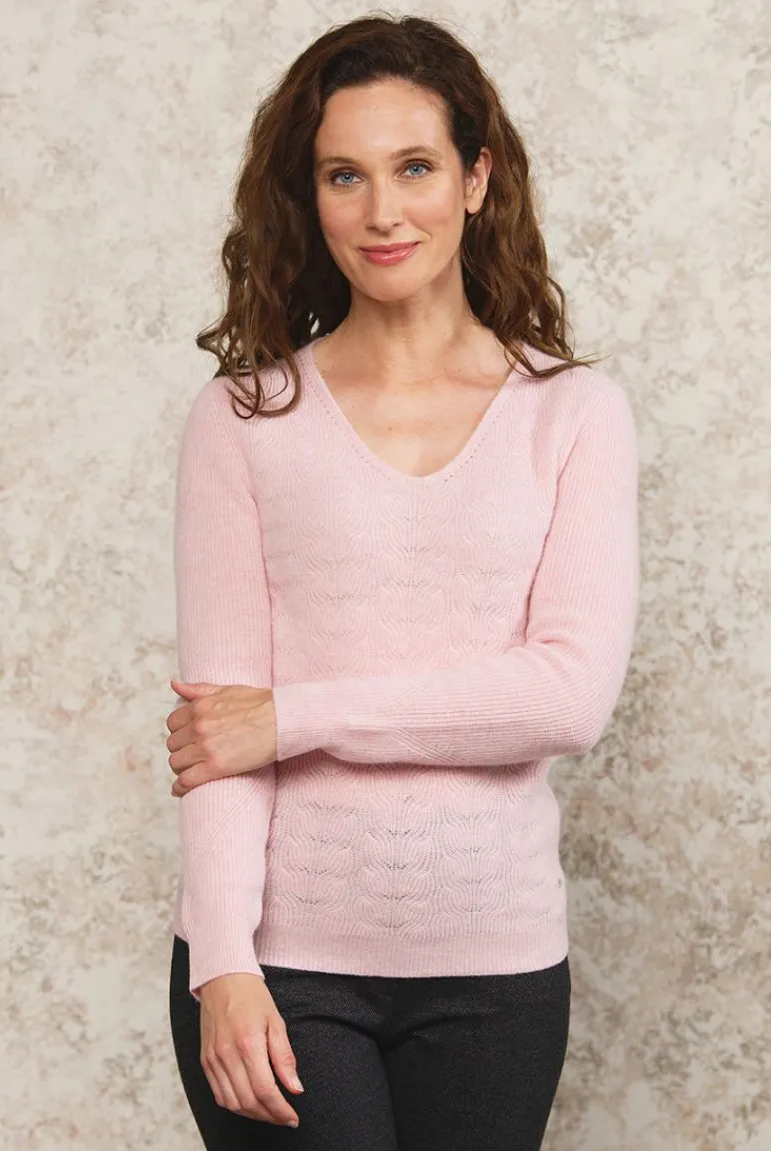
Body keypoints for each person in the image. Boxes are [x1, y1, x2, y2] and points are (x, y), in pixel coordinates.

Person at [165, 13, 639, 1151]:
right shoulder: (245, 419)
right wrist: (222, 963)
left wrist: (295, 716)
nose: (382, 211)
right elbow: (218, 729)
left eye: (414, 167)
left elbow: (567, 696)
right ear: (310, 197)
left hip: (498, 973)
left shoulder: (573, 414)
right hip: (281, 967)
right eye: (345, 175)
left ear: (477, 179)